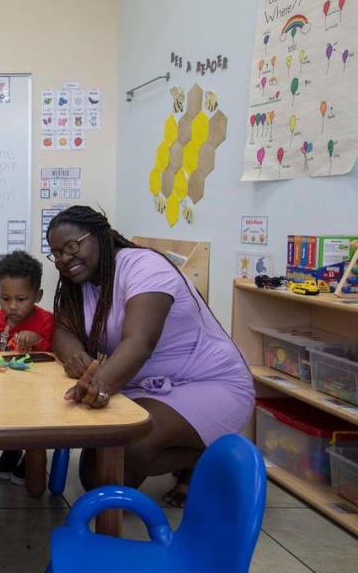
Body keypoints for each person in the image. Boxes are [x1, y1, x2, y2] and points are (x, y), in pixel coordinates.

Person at [46, 206, 254, 504]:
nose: (65, 259)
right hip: (145, 388)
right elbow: (63, 330)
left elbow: (140, 342)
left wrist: (99, 384)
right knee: (96, 479)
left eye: (73, 246)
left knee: (127, 451)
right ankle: (185, 455)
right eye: (57, 253)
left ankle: (207, 457)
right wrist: (75, 355)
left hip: (207, 384)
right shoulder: (80, 282)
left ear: (101, 236)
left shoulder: (145, 267)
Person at [0, 250, 55, 485]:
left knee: (31, 422)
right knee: (6, 418)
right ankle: (11, 449)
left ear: (37, 295)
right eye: (5, 298)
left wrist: (38, 341)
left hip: (36, 388)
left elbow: (53, 356)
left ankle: (31, 455)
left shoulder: (46, 321)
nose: (12, 307)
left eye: (21, 300)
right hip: (3, 384)